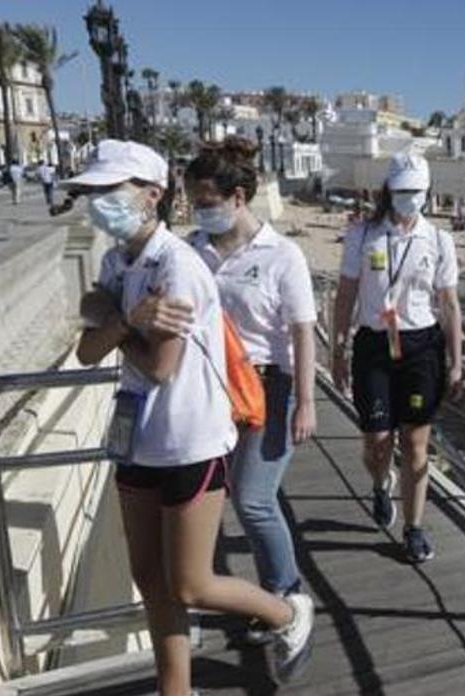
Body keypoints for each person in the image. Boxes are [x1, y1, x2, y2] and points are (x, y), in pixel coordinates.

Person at [70, 140, 314, 694]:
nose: (97, 202)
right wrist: (123, 318)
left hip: (189, 439)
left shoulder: (179, 265)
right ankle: (176, 692)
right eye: (92, 192)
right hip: (136, 439)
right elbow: (87, 348)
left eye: (109, 191)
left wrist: (116, 322)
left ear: (151, 195)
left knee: (192, 584)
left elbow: (160, 366)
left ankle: (285, 612)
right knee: (150, 580)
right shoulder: (117, 261)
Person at [133, 138, 319, 643]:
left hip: (266, 387)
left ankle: (288, 596)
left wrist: (306, 400)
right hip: (209, 387)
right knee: (224, 496)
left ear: (239, 197)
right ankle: (244, 595)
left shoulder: (282, 255)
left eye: (209, 202)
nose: (200, 211)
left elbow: (302, 330)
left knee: (254, 498)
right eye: (195, 201)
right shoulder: (191, 249)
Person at [332, 152, 463, 564]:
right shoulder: (363, 235)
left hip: (421, 348)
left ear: (427, 193)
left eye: (417, 192)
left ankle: (414, 527)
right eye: (402, 191)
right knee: (377, 442)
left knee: (415, 441)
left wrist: (457, 361)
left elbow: (450, 305)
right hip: (374, 344)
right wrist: (338, 349)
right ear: (389, 191)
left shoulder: (439, 240)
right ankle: (378, 482)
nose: (409, 199)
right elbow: (347, 293)